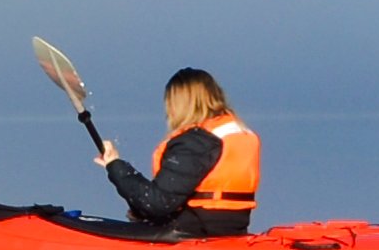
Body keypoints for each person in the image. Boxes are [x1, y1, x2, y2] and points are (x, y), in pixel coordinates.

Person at [93, 67, 264, 234]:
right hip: (231, 229)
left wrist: (115, 166)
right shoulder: (235, 132)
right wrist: (139, 210)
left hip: (195, 232)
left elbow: (157, 203)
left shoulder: (197, 143)